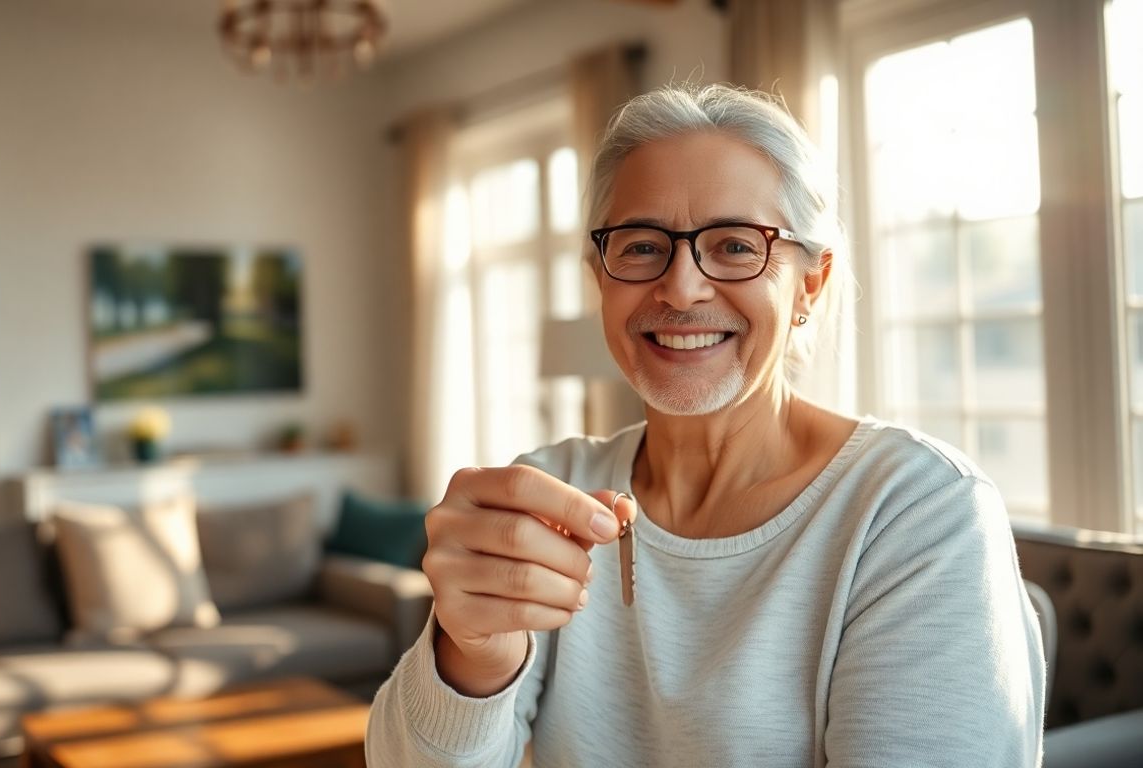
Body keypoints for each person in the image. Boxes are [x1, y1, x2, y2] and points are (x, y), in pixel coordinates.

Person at [365, 83, 1046, 767]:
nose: (682, 288)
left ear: (810, 283)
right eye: (640, 247)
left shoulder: (917, 510)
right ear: (600, 278)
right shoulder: (551, 493)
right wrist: (473, 654)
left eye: (735, 245)